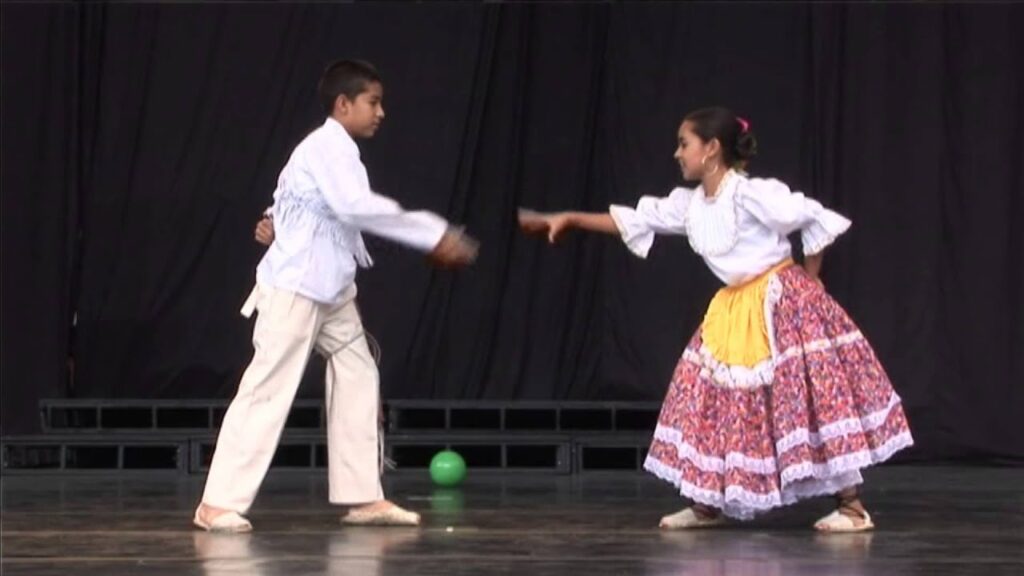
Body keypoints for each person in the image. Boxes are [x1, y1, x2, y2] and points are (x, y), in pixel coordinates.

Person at [519, 106, 913, 532]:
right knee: (712, 401)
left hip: (779, 302)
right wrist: (572, 219)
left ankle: (852, 507)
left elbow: (814, 218)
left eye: (683, 144)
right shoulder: (691, 206)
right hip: (732, 310)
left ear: (711, 149)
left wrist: (810, 282)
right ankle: (709, 501)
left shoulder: (751, 194)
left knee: (802, 403)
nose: (677, 153)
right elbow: (635, 219)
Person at [194, 59, 478, 532]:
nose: (381, 112)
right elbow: (353, 206)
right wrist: (431, 233)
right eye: (372, 102)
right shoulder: (326, 146)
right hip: (296, 289)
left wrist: (274, 222)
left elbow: (298, 198)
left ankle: (363, 494)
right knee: (268, 388)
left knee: (359, 374)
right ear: (343, 105)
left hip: (332, 290)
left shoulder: (330, 152)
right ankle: (216, 503)